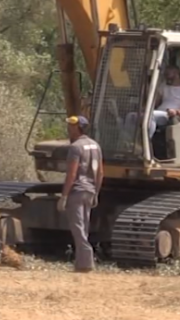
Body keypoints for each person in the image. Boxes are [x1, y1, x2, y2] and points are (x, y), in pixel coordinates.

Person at [58, 115, 103, 273]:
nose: (69, 129)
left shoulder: (75, 147)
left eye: (72, 126)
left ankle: (86, 262)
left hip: (77, 191)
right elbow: (100, 173)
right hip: (90, 190)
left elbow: (71, 174)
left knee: (77, 227)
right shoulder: (95, 146)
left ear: (79, 128)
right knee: (84, 226)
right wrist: (96, 192)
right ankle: (81, 263)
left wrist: (64, 196)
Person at [147, 64, 180, 139]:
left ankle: (146, 141)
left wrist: (176, 112)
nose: (165, 76)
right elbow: (155, 102)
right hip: (158, 112)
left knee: (150, 116)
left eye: (167, 74)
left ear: (176, 74)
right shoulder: (164, 86)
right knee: (132, 116)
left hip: (170, 116)